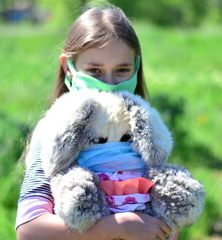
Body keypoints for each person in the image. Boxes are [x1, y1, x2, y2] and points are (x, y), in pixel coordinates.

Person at [16, 3, 178, 240]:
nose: (110, 84)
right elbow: (29, 230)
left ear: (136, 68)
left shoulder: (142, 126)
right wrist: (118, 226)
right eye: (95, 71)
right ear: (68, 68)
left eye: (122, 70)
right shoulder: (53, 129)